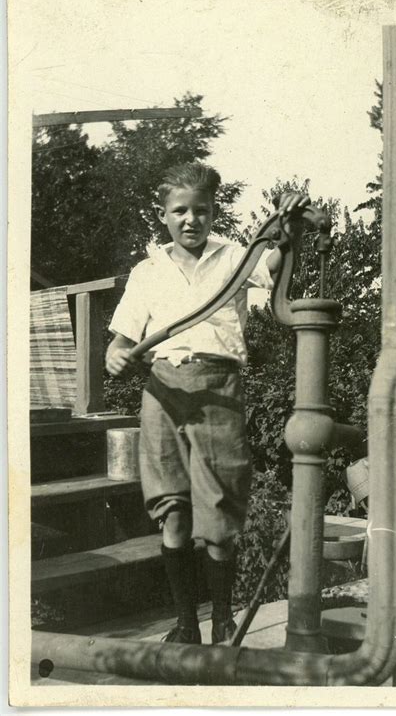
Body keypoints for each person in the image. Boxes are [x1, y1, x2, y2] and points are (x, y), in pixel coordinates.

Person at [106, 161, 310, 644]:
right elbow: (118, 342)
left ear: (213, 211)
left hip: (219, 387)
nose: (190, 220)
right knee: (172, 508)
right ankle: (184, 624)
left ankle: (221, 616)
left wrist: (287, 228)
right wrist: (115, 357)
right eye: (180, 211)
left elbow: (277, 265)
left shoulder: (238, 256)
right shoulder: (147, 271)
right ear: (164, 216)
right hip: (162, 388)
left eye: (201, 210)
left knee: (218, 512)